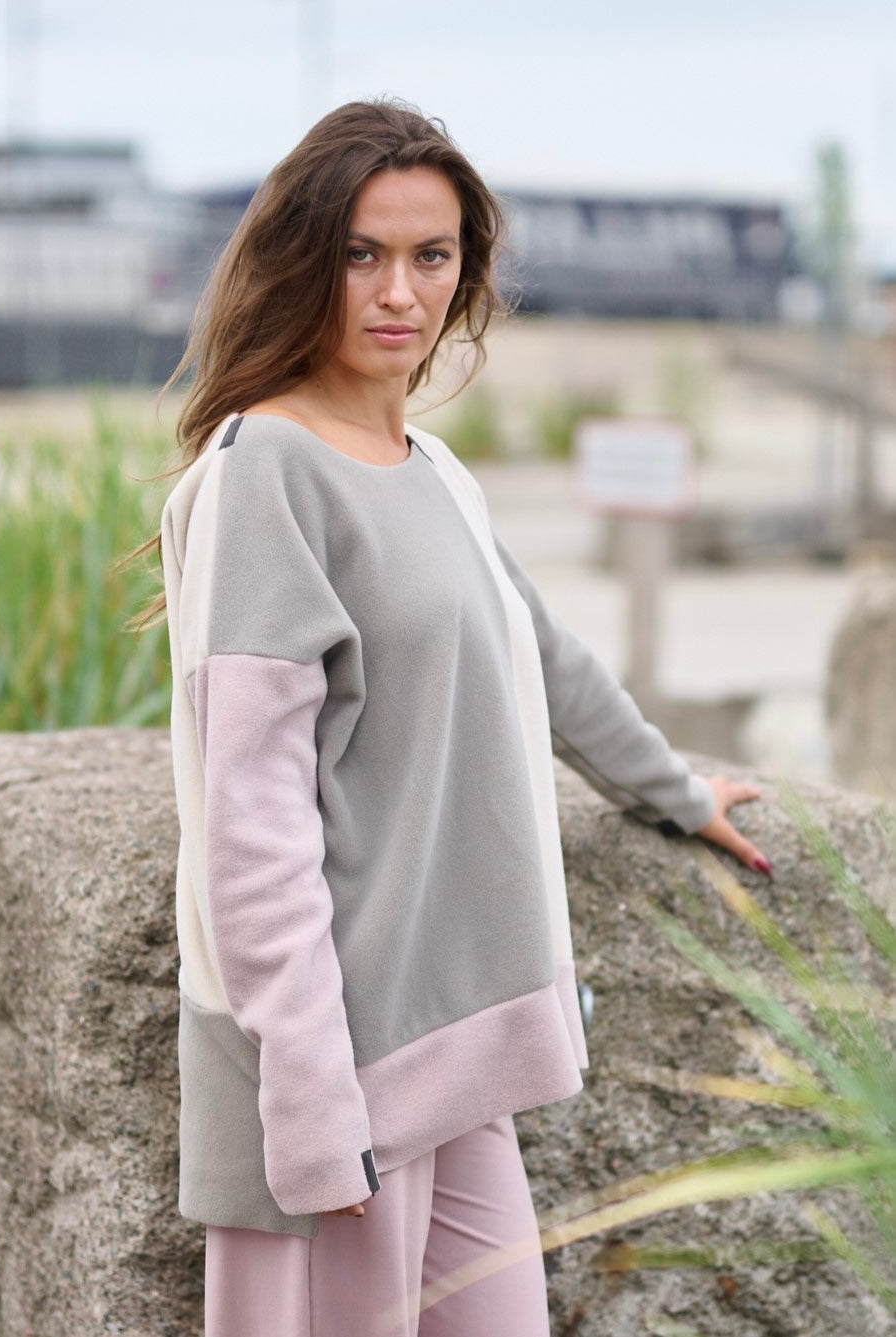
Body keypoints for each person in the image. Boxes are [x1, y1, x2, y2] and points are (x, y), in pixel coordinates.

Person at [158, 99, 769, 1337]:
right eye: (361, 253)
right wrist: (311, 1101)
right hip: (335, 1066)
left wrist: (673, 791)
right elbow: (252, 818)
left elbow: (539, 655)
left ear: (467, 270)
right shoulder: (264, 470)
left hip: (451, 1049)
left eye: (430, 255)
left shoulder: (434, 470)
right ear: (302, 259)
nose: (400, 291)